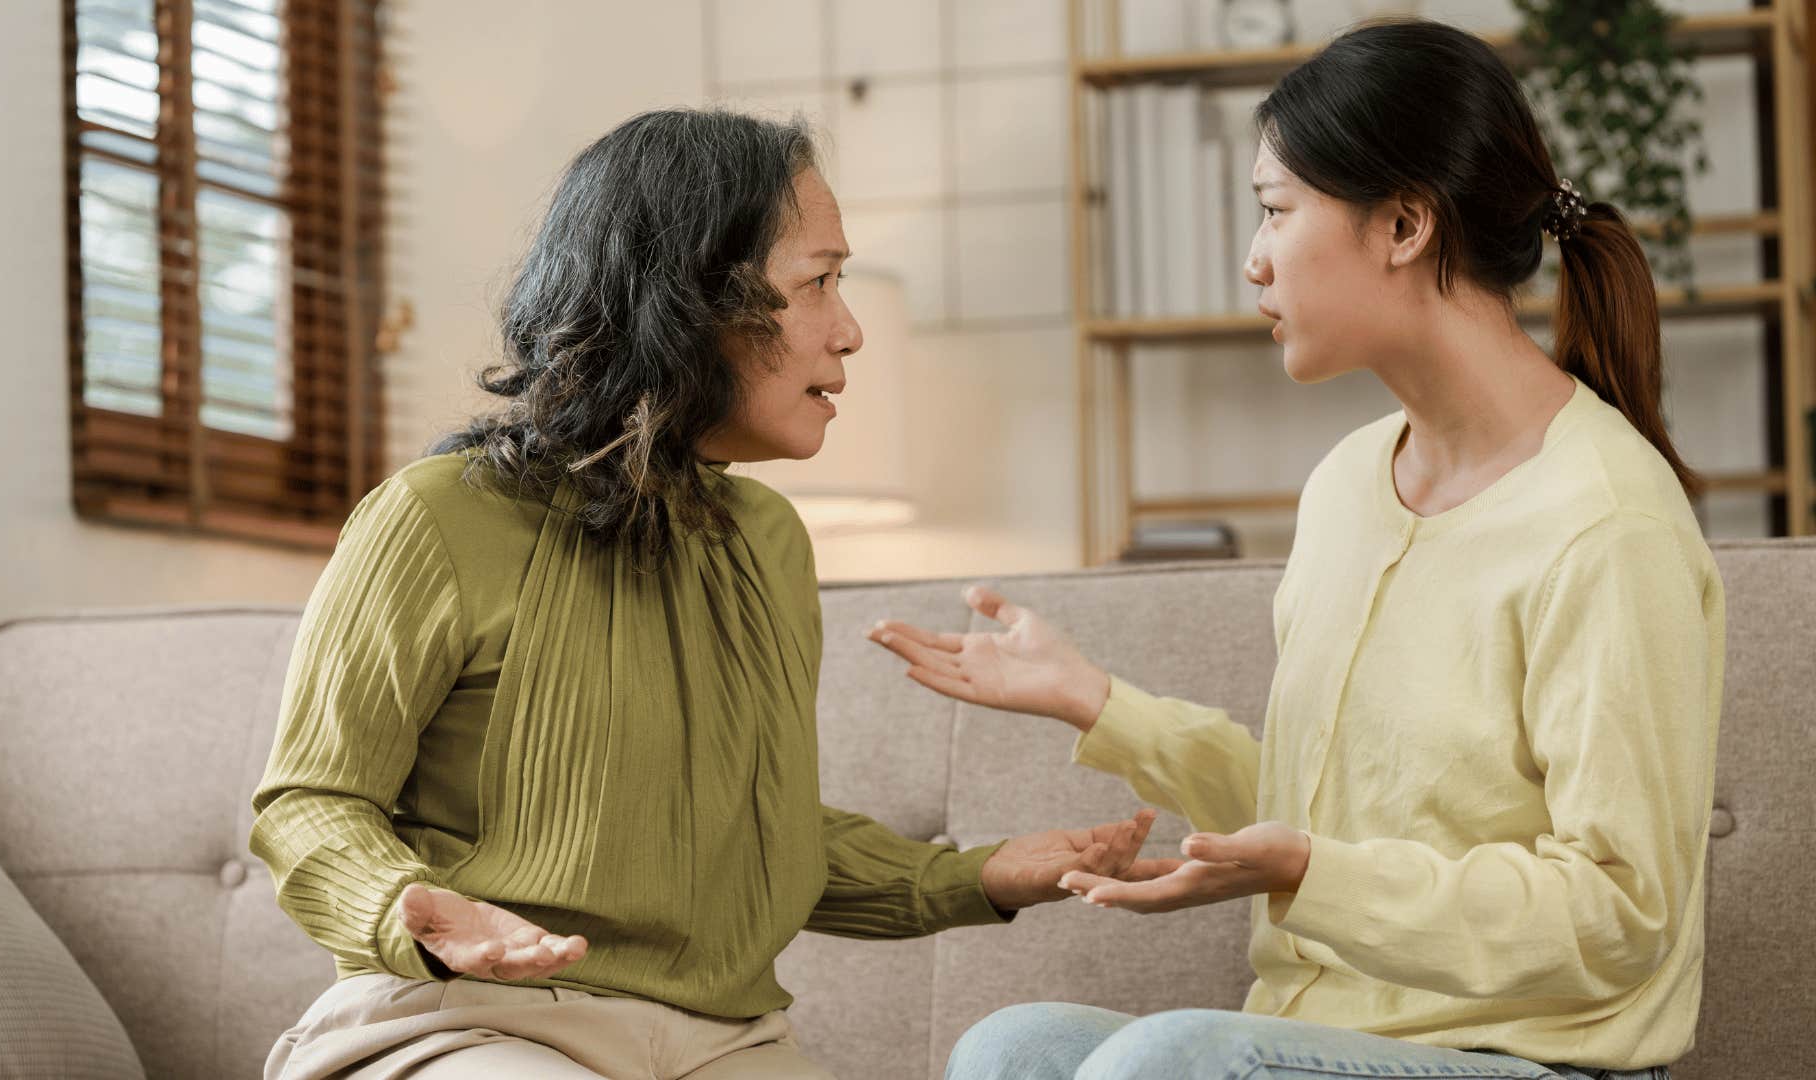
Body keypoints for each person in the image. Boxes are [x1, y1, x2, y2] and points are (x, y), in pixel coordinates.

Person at [869, 18, 1720, 1080]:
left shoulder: (1603, 521)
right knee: (1013, 1049)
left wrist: (1317, 874)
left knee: (1166, 1060)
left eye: (1276, 212)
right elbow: (1311, 816)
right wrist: (1095, 701)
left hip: (1532, 1059)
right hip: (1328, 1037)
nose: (1253, 259)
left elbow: (1620, 912)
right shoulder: (1348, 488)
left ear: (1405, 223)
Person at [251, 108, 1167, 1080]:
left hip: (725, 1044)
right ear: (689, 299)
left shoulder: (767, 543)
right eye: (817, 281)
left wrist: (976, 875)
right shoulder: (437, 519)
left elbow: (755, 836)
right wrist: (403, 905)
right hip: (469, 1023)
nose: (848, 330)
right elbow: (310, 801)